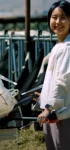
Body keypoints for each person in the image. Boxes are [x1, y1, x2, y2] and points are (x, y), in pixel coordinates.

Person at [37, 0, 70, 150]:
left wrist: (48, 108)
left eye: (63, 17)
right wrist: (44, 95)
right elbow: (54, 80)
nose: (58, 22)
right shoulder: (59, 46)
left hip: (62, 114)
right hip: (53, 112)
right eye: (54, 17)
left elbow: (63, 81)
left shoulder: (68, 48)